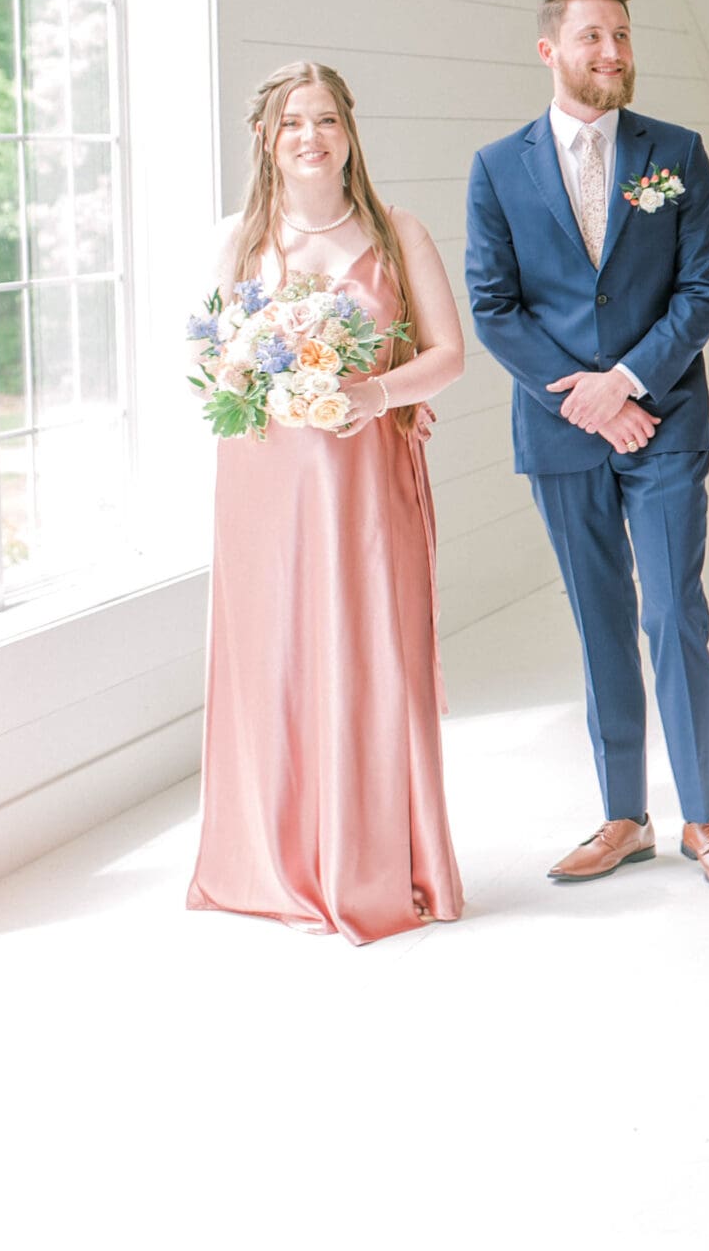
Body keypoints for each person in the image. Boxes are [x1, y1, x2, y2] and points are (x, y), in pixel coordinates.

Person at [464, 0, 709, 892]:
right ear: (549, 50)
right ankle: (624, 818)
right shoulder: (497, 167)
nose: (613, 52)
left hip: (663, 418)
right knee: (600, 622)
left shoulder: (678, 152)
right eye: (592, 36)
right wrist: (583, 400)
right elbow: (494, 306)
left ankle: (703, 818)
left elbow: (703, 289)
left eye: (622, 35)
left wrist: (626, 384)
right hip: (561, 431)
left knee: (673, 613)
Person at [188, 62, 466, 943]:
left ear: (350, 131)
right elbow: (208, 362)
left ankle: (374, 862)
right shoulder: (238, 240)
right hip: (265, 483)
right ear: (266, 139)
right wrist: (253, 374)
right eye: (292, 123)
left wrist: (376, 395)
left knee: (371, 655)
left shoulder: (396, 231)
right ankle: (275, 865)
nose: (311, 137)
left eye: (327, 120)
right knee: (273, 659)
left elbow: (448, 354)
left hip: (365, 481)